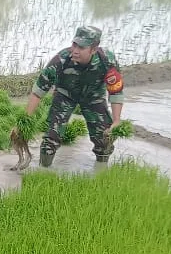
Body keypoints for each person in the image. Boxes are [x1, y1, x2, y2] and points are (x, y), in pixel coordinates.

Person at [25, 25, 124, 167]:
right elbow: (38, 91)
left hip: (93, 96)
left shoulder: (106, 61)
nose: (75, 51)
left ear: (94, 49)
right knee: (51, 138)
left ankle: (101, 171)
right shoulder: (61, 60)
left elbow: (116, 91)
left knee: (105, 138)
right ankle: (44, 170)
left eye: (81, 48)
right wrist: (25, 120)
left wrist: (116, 121)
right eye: (74, 45)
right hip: (65, 95)